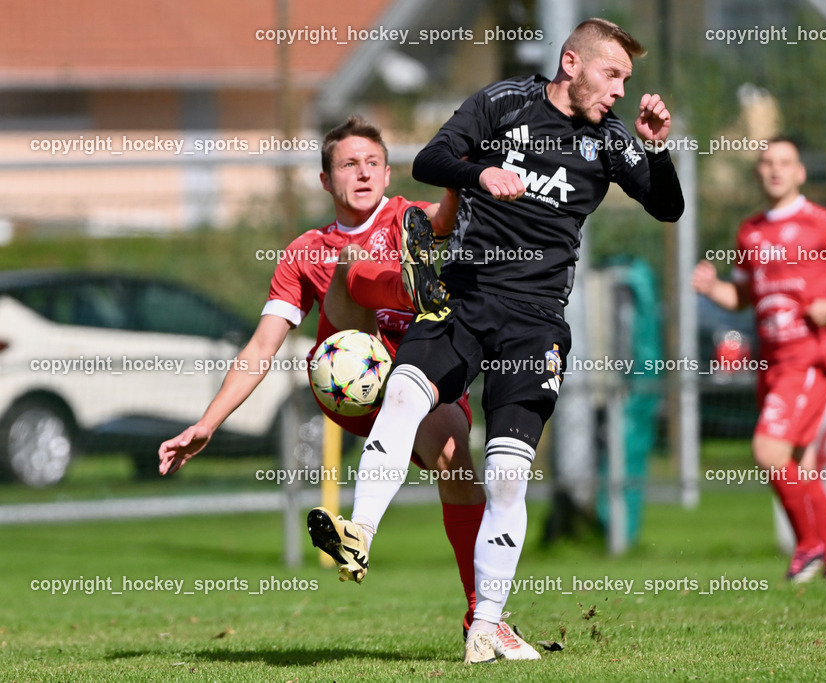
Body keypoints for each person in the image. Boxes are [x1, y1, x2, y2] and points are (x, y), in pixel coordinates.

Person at [312, 18, 684, 664]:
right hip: (466, 295)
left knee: (506, 476)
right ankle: (358, 533)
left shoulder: (610, 140)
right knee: (402, 391)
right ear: (572, 63)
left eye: (627, 78)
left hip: (535, 323)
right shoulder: (504, 103)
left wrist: (654, 150)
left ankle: (486, 627)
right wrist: (479, 175)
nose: (621, 90)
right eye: (612, 74)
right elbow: (431, 160)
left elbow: (668, 207)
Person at [157, 116, 538, 659]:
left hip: (421, 374)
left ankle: (482, 617)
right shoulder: (304, 250)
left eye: (372, 164)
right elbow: (261, 348)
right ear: (325, 180)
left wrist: (460, 175)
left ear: (387, 174)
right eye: (348, 165)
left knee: (456, 460)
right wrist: (206, 423)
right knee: (347, 260)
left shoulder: (409, 216)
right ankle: (404, 284)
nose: (362, 173)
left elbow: (443, 217)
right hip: (350, 378)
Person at [692, 136, 826, 582]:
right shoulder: (751, 231)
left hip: (809, 356)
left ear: (800, 172)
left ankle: (809, 545)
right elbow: (740, 297)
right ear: (758, 173)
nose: (775, 170)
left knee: (768, 449)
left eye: (784, 162)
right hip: (772, 361)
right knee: (799, 462)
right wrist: (711, 288)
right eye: (766, 163)